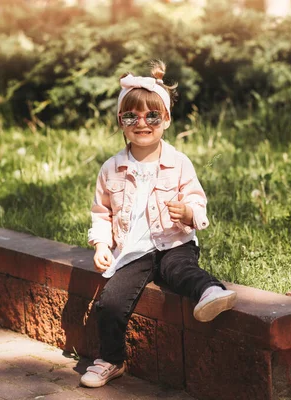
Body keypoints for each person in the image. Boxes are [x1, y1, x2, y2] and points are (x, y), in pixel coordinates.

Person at [80, 60, 237, 388]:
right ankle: (111, 359)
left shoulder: (178, 163)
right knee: (110, 302)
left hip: (173, 241)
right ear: (121, 122)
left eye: (152, 116)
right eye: (131, 117)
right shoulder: (111, 169)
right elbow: (101, 211)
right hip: (133, 250)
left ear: (165, 119)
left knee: (181, 271)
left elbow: (197, 201)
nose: (142, 123)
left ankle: (211, 291)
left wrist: (189, 213)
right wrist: (101, 244)